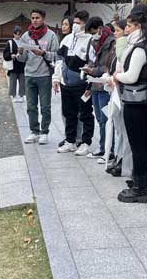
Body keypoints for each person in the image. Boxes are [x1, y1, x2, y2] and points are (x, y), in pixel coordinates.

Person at [112, 9, 147, 202]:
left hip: (137, 100)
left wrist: (116, 76)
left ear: (139, 27)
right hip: (144, 99)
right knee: (140, 143)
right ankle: (139, 180)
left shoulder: (141, 48)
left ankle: (141, 187)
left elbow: (131, 76)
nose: (127, 29)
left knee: (138, 144)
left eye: (130, 26)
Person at [54, 10, 95, 155]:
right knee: (68, 113)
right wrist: (56, 78)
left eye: (79, 23)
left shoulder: (90, 40)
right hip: (66, 83)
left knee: (85, 114)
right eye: (75, 22)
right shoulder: (67, 39)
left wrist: (90, 84)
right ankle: (70, 140)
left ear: (85, 23)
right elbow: (60, 60)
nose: (76, 25)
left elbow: (92, 64)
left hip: (81, 83)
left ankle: (85, 142)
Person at [17, 9, 60, 145]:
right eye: (33, 18)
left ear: (43, 19)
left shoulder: (51, 35)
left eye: (37, 18)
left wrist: (43, 53)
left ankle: (44, 132)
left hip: (44, 75)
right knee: (31, 106)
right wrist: (20, 53)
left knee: (45, 106)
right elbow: (22, 59)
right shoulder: (25, 36)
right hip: (29, 74)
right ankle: (34, 131)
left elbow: (57, 56)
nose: (34, 20)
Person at [83, 17, 115, 159]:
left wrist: (93, 70)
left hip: (105, 84)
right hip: (95, 83)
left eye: (94, 32)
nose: (93, 36)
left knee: (107, 119)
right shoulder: (94, 41)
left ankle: (109, 150)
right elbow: (91, 60)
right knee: (100, 119)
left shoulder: (111, 42)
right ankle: (103, 148)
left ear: (100, 28)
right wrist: (89, 70)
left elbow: (110, 66)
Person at [105, 18, 131, 176]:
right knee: (118, 128)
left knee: (123, 129)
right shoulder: (116, 46)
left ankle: (123, 160)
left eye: (118, 30)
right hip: (115, 89)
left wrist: (116, 77)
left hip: (123, 90)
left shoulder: (123, 44)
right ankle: (119, 158)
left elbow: (121, 67)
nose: (115, 33)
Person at [4, 25, 26, 103]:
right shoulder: (10, 42)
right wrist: (11, 55)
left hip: (22, 65)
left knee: (22, 81)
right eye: (16, 34)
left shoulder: (23, 42)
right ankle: (13, 95)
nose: (17, 35)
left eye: (19, 34)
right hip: (13, 65)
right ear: (13, 34)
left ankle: (21, 95)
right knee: (13, 81)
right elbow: (5, 54)